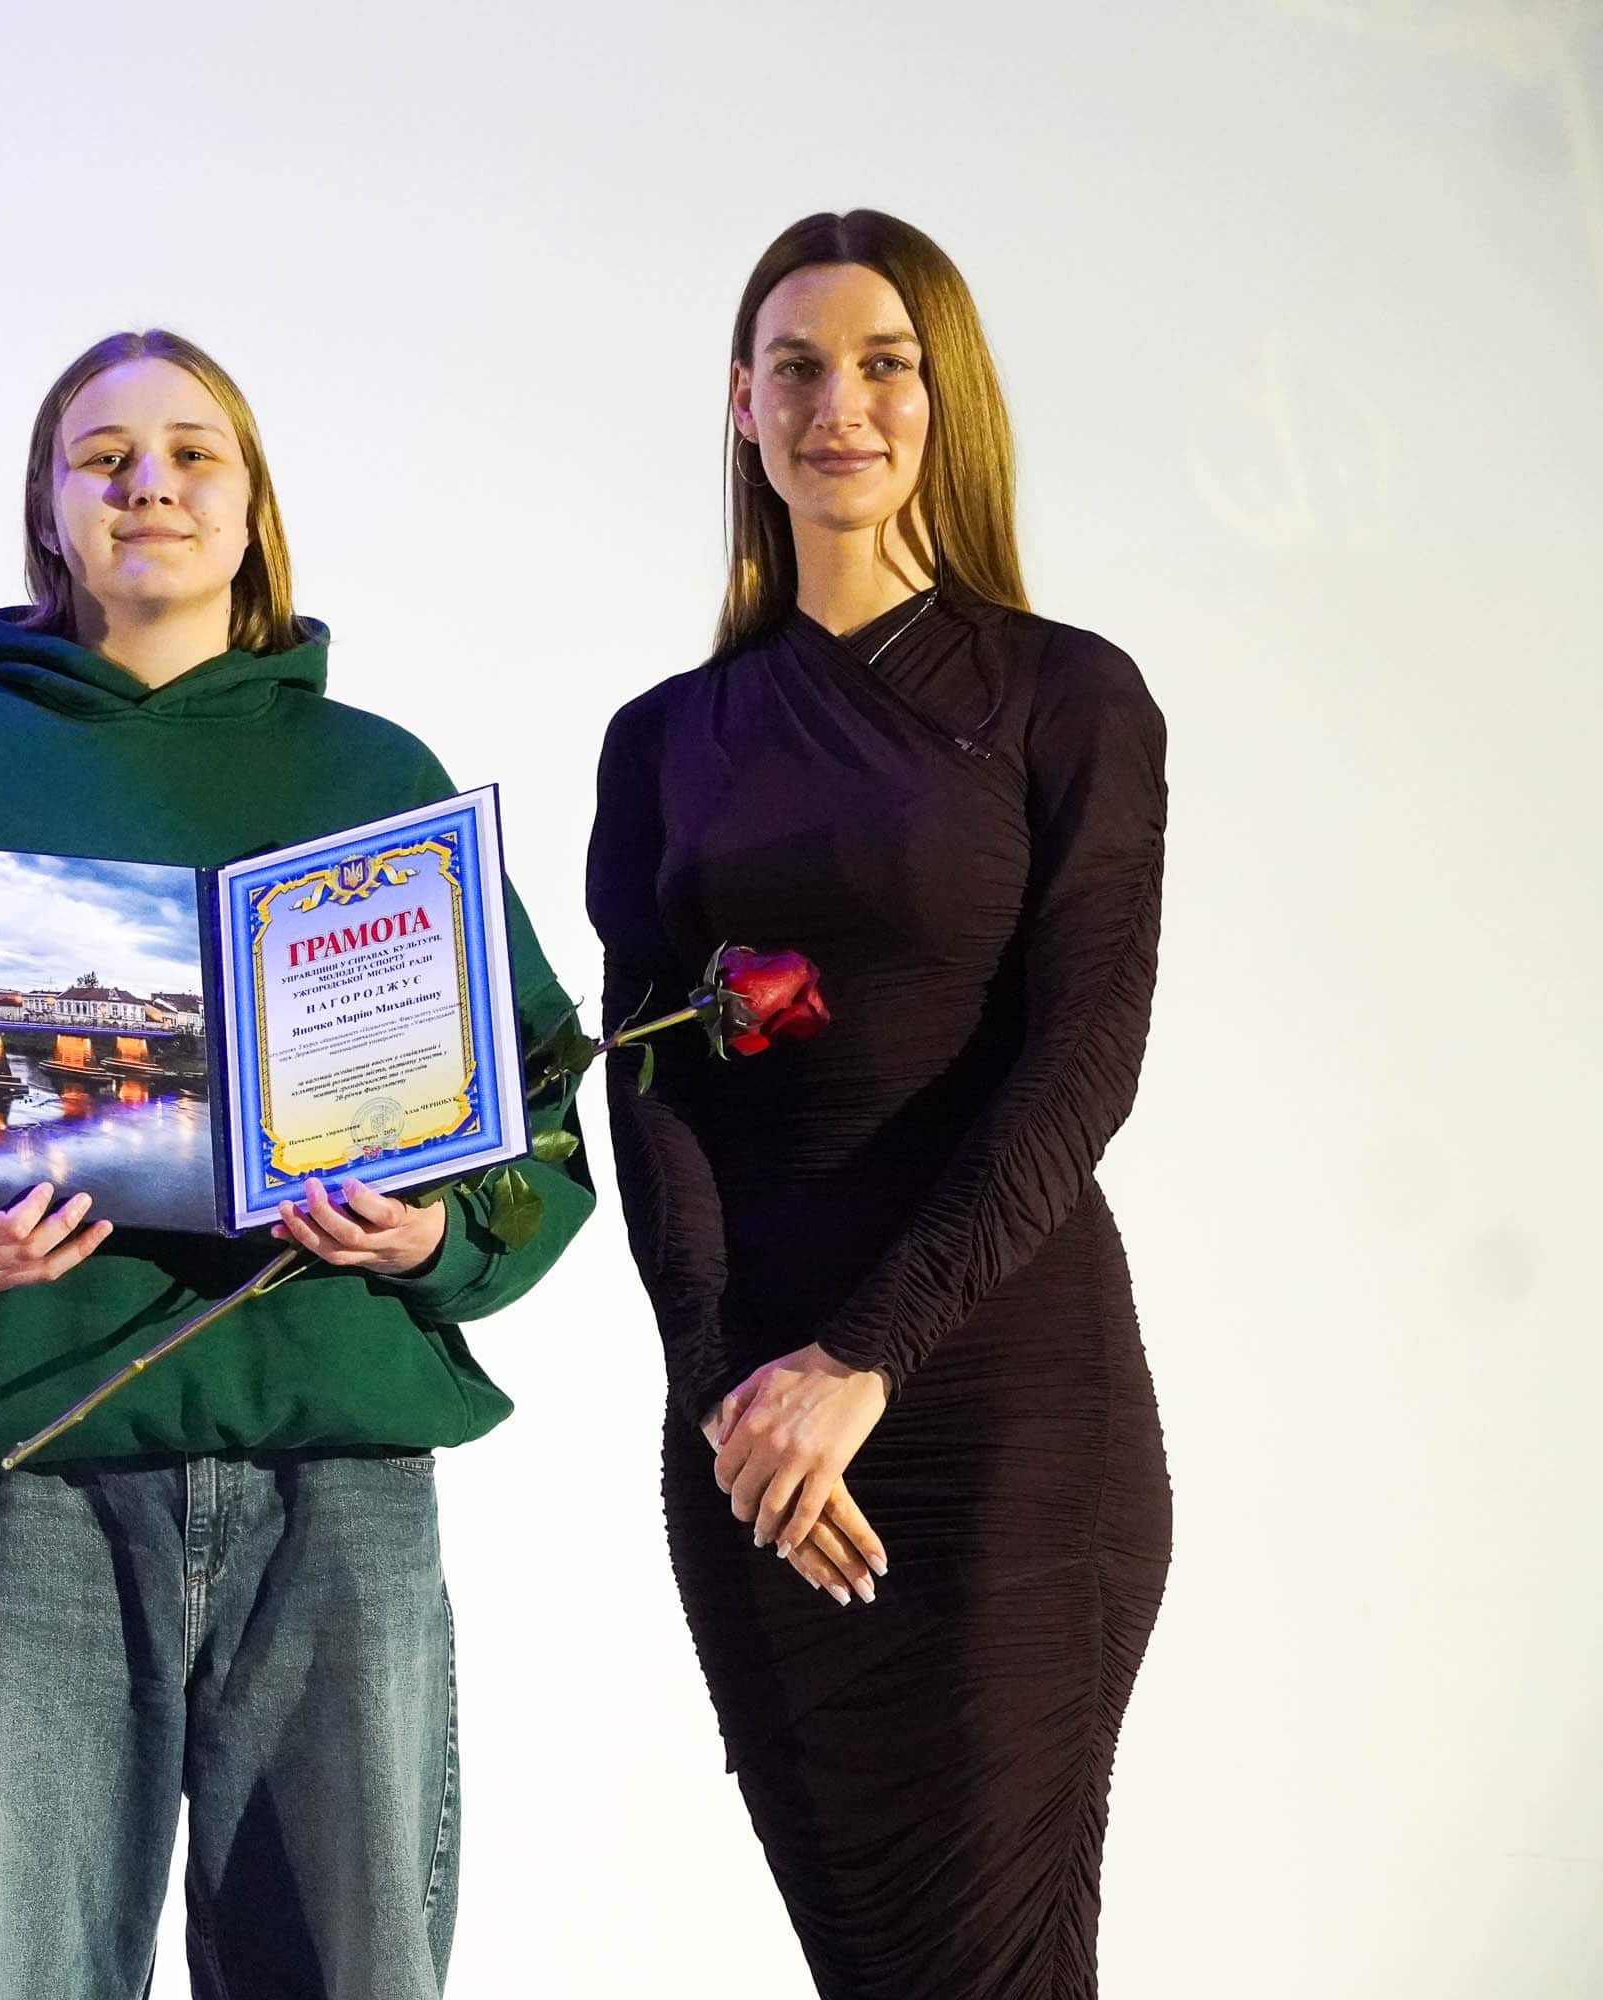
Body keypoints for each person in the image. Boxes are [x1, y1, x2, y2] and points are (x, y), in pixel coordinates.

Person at [0, 329, 593, 1999]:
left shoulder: (376, 779)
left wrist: (431, 1237)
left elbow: (540, 1115)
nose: (149, 485)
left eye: (193, 453)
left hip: (338, 1477)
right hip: (21, 1483)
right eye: (102, 457)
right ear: (49, 509)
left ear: (254, 506)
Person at [586, 208, 1171, 1995]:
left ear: (945, 396)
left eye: (885, 364)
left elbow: (1086, 1061)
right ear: (743, 408)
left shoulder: (1068, 697)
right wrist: (727, 1396)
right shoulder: (661, 740)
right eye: (798, 368)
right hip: (754, 1432)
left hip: (1000, 1402)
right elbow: (652, 1094)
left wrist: (867, 1357)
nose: (841, 405)